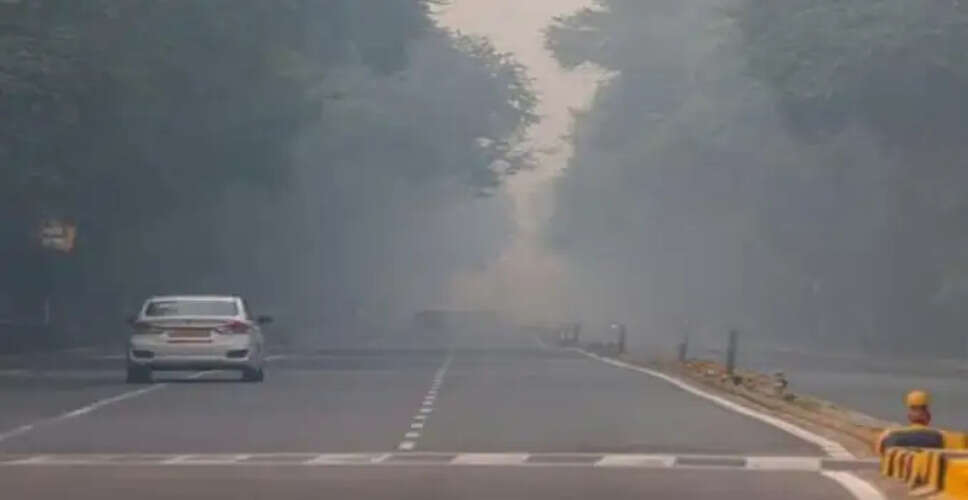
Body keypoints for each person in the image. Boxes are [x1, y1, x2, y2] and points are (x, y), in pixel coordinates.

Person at [875, 390, 943, 454]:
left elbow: (880, 453)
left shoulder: (889, 436)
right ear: (929, 416)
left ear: (909, 416)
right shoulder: (941, 436)